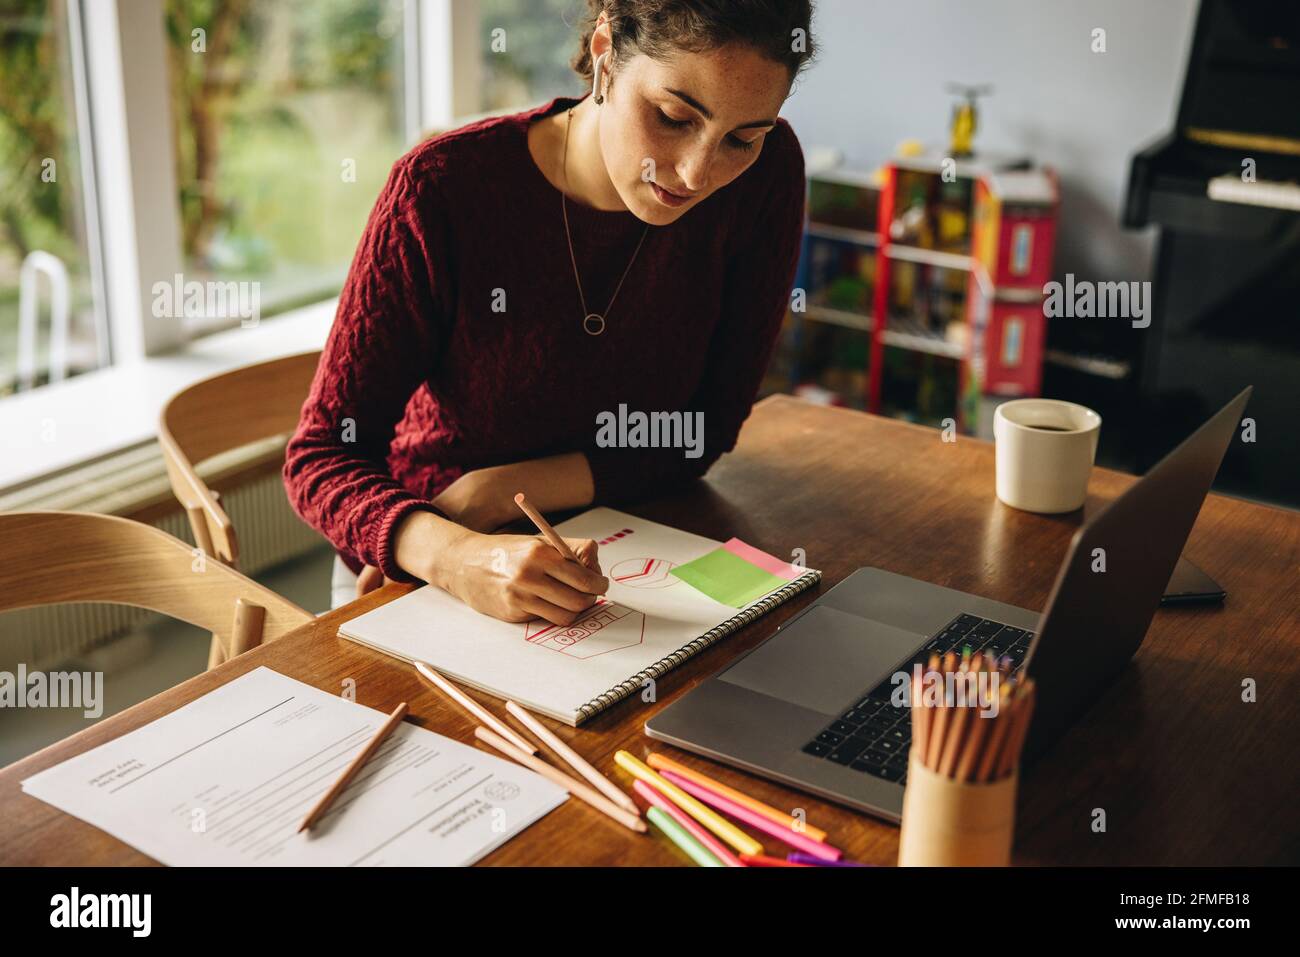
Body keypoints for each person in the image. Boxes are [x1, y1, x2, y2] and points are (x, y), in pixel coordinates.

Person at [285, 0, 816, 622]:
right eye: (673, 116)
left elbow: (701, 429)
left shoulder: (767, 174)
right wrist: (454, 550)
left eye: (741, 138)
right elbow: (320, 456)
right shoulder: (443, 190)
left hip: (638, 541)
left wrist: (499, 489)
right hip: (424, 557)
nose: (698, 173)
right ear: (605, 53)